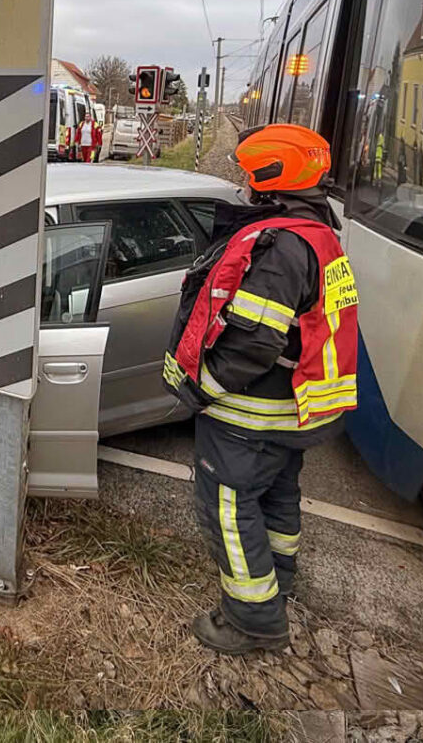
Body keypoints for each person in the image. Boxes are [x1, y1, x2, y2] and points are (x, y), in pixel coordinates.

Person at [161, 123, 359, 655]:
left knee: (227, 507)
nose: (246, 185)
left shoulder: (281, 248)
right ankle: (278, 583)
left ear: (273, 176)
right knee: (276, 497)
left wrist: (203, 388)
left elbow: (253, 342)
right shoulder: (319, 234)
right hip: (293, 411)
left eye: (251, 175)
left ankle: (252, 620)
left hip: (250, 415)